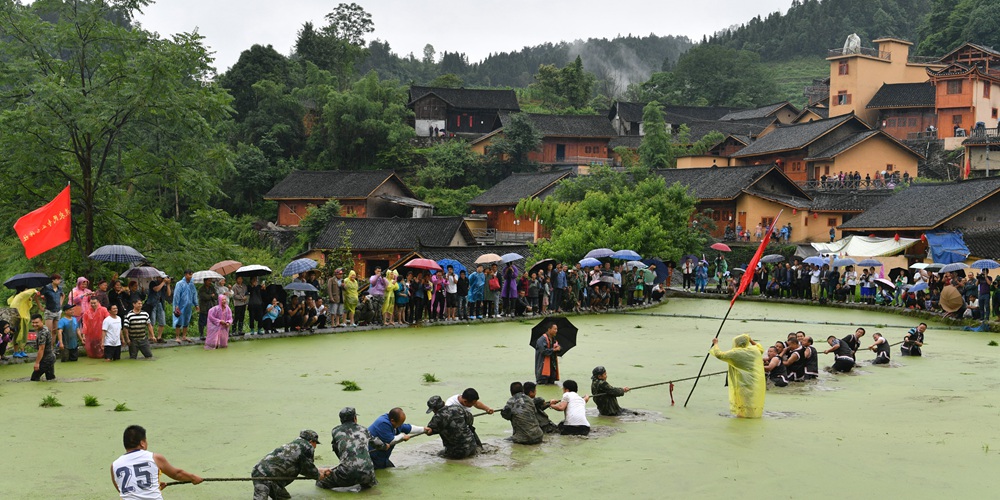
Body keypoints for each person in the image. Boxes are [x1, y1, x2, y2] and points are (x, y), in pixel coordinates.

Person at [111, 425, 203, 499]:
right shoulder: (154, 458)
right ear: (142, 443)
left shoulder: (115, 465)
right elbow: (177, 474)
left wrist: (151, 487)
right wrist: (192, 477)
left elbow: (123, 491)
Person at [316, 407, 389, 491]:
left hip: (346, 472)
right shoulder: (363, 429)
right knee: (370, 486)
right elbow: (378, 444)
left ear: (341, 420)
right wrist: (385, 446)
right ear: (355, 418)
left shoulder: (335, 431)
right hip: (368, 472)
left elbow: (336, 448)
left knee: (320, 482)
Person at [252, 430, 330, 500]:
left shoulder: (294, 445)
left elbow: (301, 467)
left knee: (284, 497)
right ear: (311, 441)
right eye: (315, 443)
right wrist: (318, 475)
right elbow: (308, 469)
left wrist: (318, 470)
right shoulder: (307, 447)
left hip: (259, 471)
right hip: (266, 476)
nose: (315, 446)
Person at [710, 334, 766, 418]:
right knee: (750, 400)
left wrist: (715, 343)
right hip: (754, 380)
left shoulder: (736, 352)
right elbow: (760, 349)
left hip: (742, 381)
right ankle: (751, 415)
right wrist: (750, 340)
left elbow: (719, 354)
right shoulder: (753, 351)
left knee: (743, 400)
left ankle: (743, 416)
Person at [172, 270, 197, 342]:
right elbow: (176, 294)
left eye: (191, 275)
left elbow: (194, 294)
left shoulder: (191, 284)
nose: (191, 276)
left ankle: (184, 336)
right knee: (179, 320)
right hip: (180, 305)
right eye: (190, 275)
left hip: (189, 305)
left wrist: (196, 304)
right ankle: (177, 336)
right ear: (186, 275)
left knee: (187, 320)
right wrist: (176, 305)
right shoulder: (179, 284)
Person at [29, 314, 56, 381]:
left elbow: (41, 349)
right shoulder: (43, 328)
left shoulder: (43, 333)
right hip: (50, 357)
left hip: (47, 359)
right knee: (50, 378)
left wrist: (37, 363)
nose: (34, 324)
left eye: (36, 322)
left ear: (42, 322)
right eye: (33, 322)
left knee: (34, 378)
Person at [146, 276, 171, 342]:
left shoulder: (164, 284)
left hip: (160, 304)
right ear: (158, 277)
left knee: (162, 321)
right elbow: (156, 289)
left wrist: (168, 284)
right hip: (152, 304)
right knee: (152, 321)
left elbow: (169, 294)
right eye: (162, 278)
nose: (163, 279)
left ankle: (159, 337)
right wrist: (163, 282)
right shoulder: (153, 283)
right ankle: (151, 337)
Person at [39, 273, 64, 337]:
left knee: (55, 330)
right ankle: (47, 346)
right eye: (57, 279)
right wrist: (40, 307)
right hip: (49, 311)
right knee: (48, 331)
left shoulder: (60, 288)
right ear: (53, 280)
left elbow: (63, 295)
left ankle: (52, 346)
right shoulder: (47, 288)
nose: (59, 281)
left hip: (58, 310)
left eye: (59, 279)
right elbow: (36, 296)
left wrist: (60, 303)